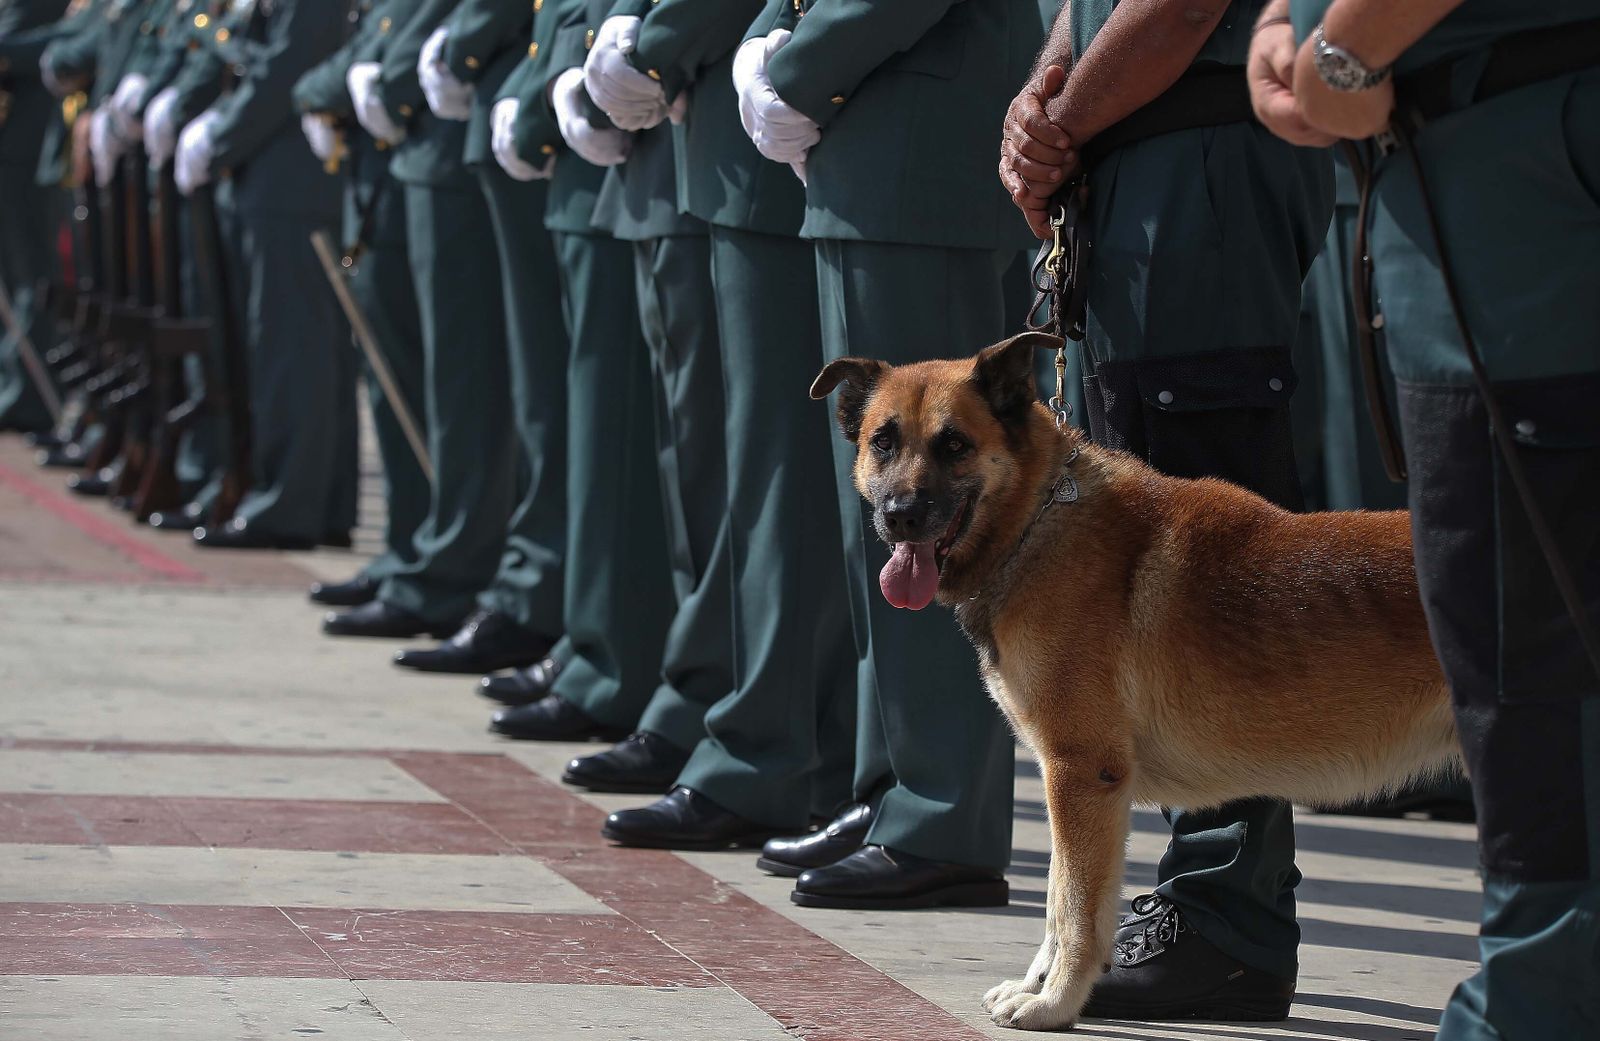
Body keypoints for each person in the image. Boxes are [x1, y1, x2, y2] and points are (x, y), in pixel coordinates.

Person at [1256, 2, 1600, 1036]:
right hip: (1487, 163)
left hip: (1515, 180)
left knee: (1521, 633)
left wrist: (1332, 57)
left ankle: (1537, 1004)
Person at [998, 0, 1332, 1022]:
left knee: (1214, 580)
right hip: (1136, 154)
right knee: (1147, 561)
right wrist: (1042, 95)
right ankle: (1205, 901)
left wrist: (1059, 120)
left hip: (1198, 155)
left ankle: (1228, 913)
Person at [735, 0, 1059, 909]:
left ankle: (938, 814)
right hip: (888, 142)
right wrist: (772, 38)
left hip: (910, 142)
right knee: (897, 519)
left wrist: (797, 69)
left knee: (932, 505)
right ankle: (896, 788)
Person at [575, 0, 858, 841]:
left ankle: (773, 750)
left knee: (778, 479)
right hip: (732, 130)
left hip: (789, 126)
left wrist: (660, 45)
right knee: (734, 471)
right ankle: (764, 734)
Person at [480, 0, 675, 743]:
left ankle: (620, 662)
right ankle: (600, 650)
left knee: (624, 436)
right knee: (596, 429)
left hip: (637, 131)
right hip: (594, 136)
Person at [322, 0, 522, 641]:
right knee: (403, 377)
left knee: (460, 388)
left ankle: (446, 569)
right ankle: (412, 552)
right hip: (408, 153)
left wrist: (393, 78)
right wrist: (345, 82)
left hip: (446, 146)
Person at [165, 0, 356, 550]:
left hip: (292, 176)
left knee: (293, 351)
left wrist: (223, 135)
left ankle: (289, 505)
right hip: (271, 171)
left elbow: (288, 66)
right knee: (290, 349)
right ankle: (311, 502)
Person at [293, 0, 432, 611]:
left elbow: (385, 68)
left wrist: (347, 87)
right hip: (376, 202)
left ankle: (428, 557)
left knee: (424, 394)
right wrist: (334, 89)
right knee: (387, 384)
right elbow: (334, 73)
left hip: (407, 199)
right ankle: (403, 549)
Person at [0, 0, 72, 437]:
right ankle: (12, 383)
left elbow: (57, 44)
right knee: (14, 272)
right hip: (11, 141)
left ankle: (28, 396)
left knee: (31, 274)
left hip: (30, 141)